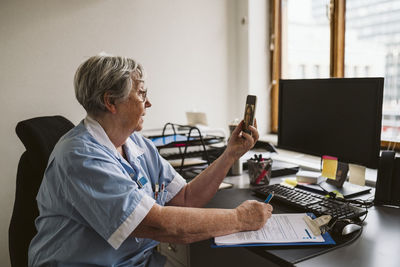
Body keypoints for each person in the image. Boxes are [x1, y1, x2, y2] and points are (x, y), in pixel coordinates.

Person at [28, 53, 273, 266]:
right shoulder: (80, 156)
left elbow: (186, 198)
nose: (148, 103)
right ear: (111, 101)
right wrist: (240, 219)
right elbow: (159, 225)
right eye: (141, 93)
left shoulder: (136, 143)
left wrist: (230, 154)